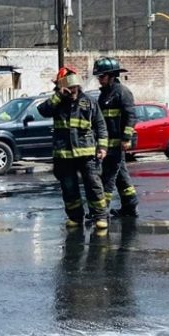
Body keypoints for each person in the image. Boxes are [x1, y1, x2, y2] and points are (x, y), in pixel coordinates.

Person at [37, 65, 109, 230]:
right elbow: (42, 110)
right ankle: (75, 218)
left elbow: (100, 126)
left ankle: (100, 216)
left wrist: (102, 147)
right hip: (64, 156)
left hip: (87, 154)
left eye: (73, 86)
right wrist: (58, 96)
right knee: (69, 189)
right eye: (68, 87)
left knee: (94, 186)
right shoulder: (57, 102)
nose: (72, 89)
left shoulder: (89, 102)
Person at [92, 57, 139, 218]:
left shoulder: (122, 93)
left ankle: (101, 211)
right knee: (121, 176)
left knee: (108, 177)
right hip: (107, 144)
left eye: (102, 76)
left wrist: (126, 139)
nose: (100, 80)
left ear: (112, 75)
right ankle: (130, 205)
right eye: (98, 77)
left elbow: (130, 117)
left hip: (118, 144)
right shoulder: (104, 95)